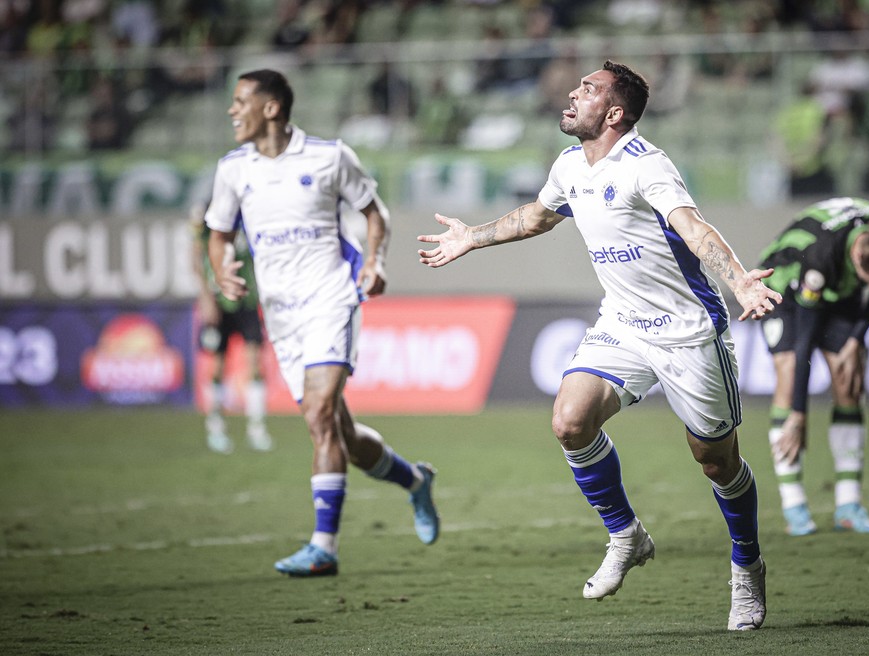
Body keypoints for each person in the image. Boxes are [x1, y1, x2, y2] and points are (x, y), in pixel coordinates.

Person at [418, 60, 781, 631]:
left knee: (716, 461)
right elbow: (537, 218)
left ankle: (747, 566)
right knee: (570, 420)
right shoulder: (569, 165)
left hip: (687, 330)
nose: (572, 92)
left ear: (613, 113)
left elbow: (695, 229)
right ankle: (626, 535)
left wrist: (737, 280)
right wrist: (474, 237)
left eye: (587, 89)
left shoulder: (647, 166)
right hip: (624, 323)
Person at [205, 69, 440, 577]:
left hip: (333, 296)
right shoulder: (232, 171)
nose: (232, 110)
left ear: (271, 107)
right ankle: (416, 481)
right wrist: (221, 269)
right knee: (341, 434)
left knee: (318, 415)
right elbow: (218, 232)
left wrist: (374, 262)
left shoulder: (329, 157)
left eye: (241, 101)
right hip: (282, 314)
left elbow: (375, 213)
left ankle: (323, 548)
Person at [758, 197, 869, 536]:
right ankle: (794, 505)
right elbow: (805, 342)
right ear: (857, 257)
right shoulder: (821, 259)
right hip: (785, 289)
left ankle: (848, 504)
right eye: (868, 280)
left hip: (840, 290)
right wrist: (799, 412)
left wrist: (857, 338)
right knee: (788, 375)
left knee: (849, 379)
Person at [190, 201, 273, 454]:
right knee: (217, 365)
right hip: (219, 302)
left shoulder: (252, 215)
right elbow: (195, 257)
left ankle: (257, 429)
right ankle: (216, 427)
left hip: (247, 302)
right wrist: (205, 297)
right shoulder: (207, 216)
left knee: (256, 363)